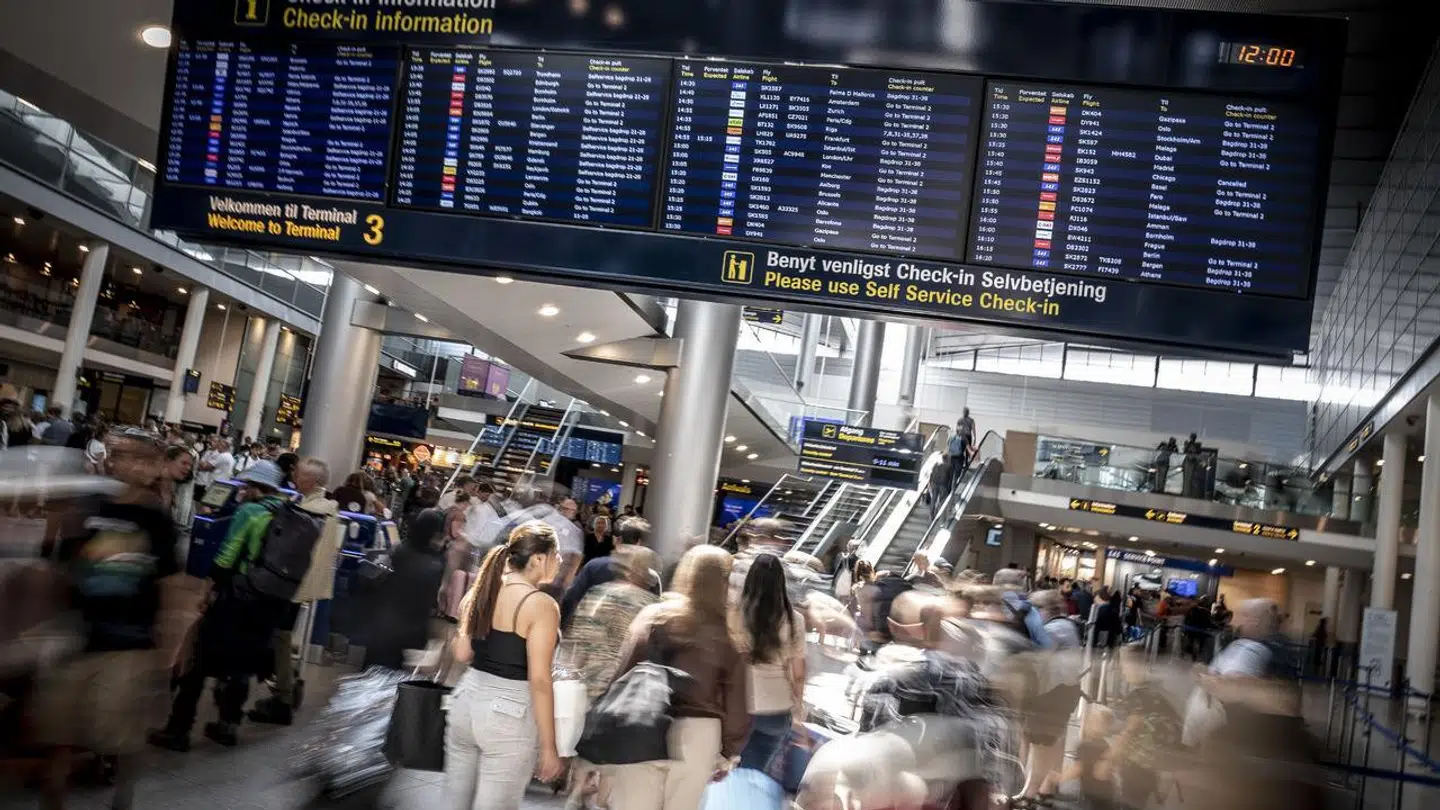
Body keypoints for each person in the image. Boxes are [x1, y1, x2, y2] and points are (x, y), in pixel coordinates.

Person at [36, 427, 187, 810]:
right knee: (60, 730)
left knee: (123, 733)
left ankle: (123, 798)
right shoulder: (87, 505)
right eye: (121, 455)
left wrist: (167, 651)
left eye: (142, 459)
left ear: (155, 467)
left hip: (129, 643)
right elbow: (60, 565)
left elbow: (169, 585)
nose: (129, 464)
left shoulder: (157, 520)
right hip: (77, 636)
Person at [148, 460, 294, 750]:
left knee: (197, 662)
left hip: (236, 599)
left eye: (247, 486)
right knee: (240, 665)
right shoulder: (288, 513)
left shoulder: (250, 512)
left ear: (256, 487)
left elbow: (227, 557)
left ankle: (179, 729)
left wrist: (207, 591)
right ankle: (228, 725)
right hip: (268, 603)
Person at [608, 545, 750, 810]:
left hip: (641, 721)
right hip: (698, 735)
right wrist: (729, 752)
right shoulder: (729, 636)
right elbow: (737, 703)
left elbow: (624, 671)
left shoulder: (653, 617)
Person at [445, 521, 565, 810]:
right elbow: (539, 680)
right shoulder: (541, 605)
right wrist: (549, 748)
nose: (560, 561)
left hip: (465, 700)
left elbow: (461, 653)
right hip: (509, 713)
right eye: (556, 554)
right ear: (538, 558)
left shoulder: (481, 591)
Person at [557, 544, 662, 810]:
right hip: (626, 684)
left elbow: (578, 636)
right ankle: (600, 797)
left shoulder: (597, 593)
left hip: (591, 678)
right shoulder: (651, 605)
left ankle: (576, 791)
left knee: (586, 739)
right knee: (613, 745)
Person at [248, 458, 343, 726]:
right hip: (297, 584)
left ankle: (283, 696)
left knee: (280, 638)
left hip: (289, 585)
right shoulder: (322, 508)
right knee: (283, 637)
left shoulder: (312, 510)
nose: (294, 476)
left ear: (312, 481)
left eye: (299, 474)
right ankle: (286, 686)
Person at [732, 553, 807, 778]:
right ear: (780, 583)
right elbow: (799, 672)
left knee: (726, 772)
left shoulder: (735, 614)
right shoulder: (795, 620)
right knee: (754, 774)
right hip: (777, 708)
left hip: (739, 705)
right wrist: (798, 706)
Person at [559, 516, 659, 628]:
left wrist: (563, 628)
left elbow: (572, 598)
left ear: (617, 540)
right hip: (629, 634)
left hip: (594, 631)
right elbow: (654, 613)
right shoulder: (652, 576)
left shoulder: (595, 567)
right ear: (640, 543)